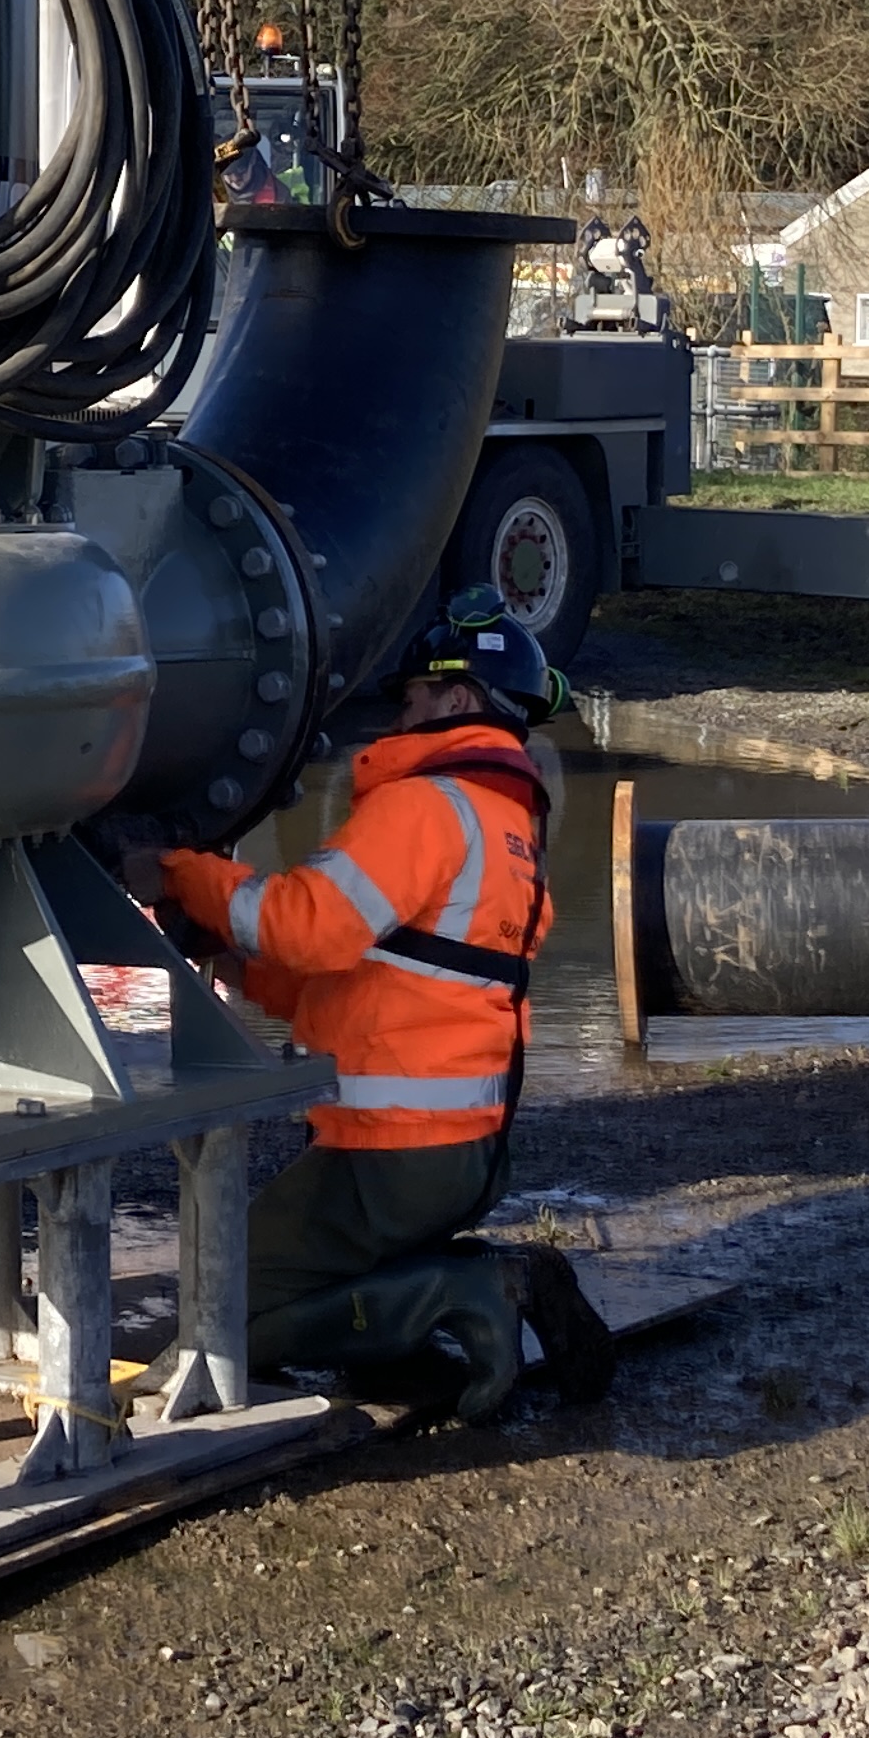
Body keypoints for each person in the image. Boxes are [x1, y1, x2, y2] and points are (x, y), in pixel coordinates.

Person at [149, 590, 612, 1419]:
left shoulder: (424, 807)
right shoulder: (507, 830)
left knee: (216, 1313)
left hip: (394, 1156)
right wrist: (230, 960)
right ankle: (443, 1298)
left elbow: (305, 927)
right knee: (287, 1279)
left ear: (458, 700)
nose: (397, 714)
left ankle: (463, 1293)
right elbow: (377, 983)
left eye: (411, 697)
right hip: (461, 1154)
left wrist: (188, 875)